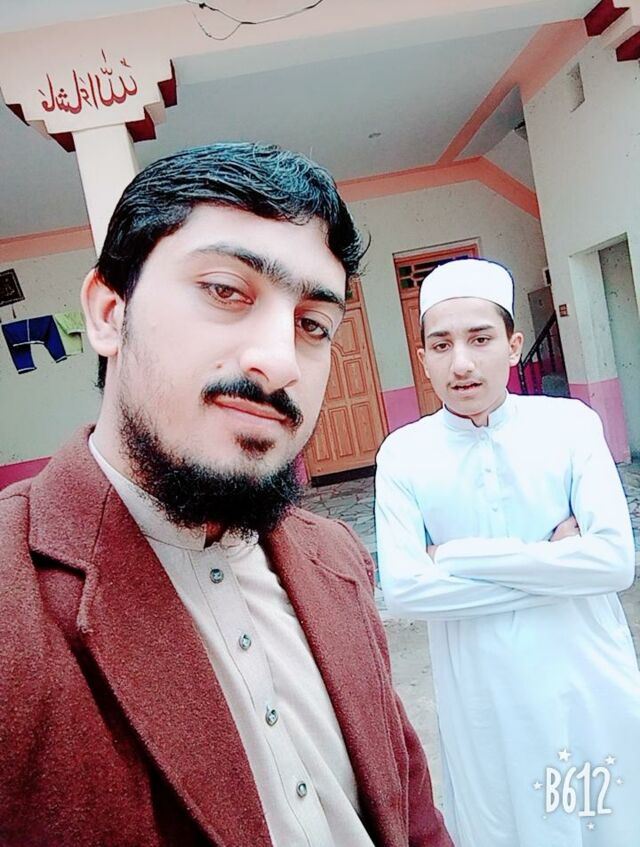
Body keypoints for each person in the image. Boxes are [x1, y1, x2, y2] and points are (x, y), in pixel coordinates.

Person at [0, 143, 451, 847]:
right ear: (109, 312)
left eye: (313, 325)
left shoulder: (335, 559)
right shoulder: (13, 600)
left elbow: (411, 808)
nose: (279, 361)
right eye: (225, 290)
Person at [375, 257, 640, 847]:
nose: (461, 363)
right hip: (484, 695)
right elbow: (407, 591)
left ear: (513, 346)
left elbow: (614, 563)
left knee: (603, 824)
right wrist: (556, 563)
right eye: (441, 345)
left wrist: (455, 557)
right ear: (423, 358)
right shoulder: (404, 454)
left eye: (480, 339)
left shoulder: (570, 426)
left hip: (585, 680)